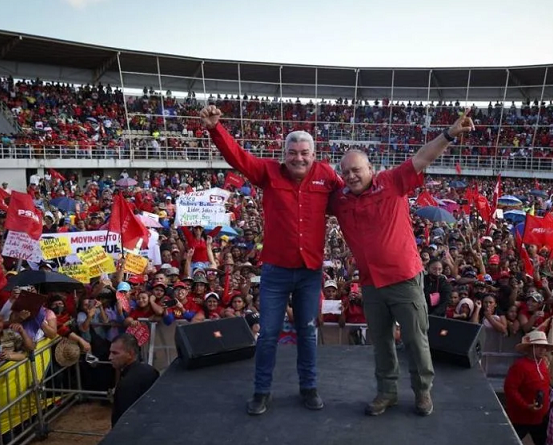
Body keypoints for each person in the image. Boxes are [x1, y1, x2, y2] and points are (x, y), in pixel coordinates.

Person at [328, 112, 475, 416]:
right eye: (346, 172)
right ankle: (387, 392)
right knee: (381, 342)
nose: (351, 176)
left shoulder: (391, 182)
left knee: (415, 339)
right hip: (370, 283)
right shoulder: (340, 200)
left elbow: (422, 158)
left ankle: (422, 392)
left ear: (371, 168)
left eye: (356, 170)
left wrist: (449, 134)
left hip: (404, 278)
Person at [201, 104, 342, 415]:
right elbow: (237, 157)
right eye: (293, 152)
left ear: (313, 154)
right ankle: (262, 391)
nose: (299, 158)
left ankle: (309, 387)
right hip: (276, 271)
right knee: (267, 335)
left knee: (307, 331)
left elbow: (349, 200)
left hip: (309, 272)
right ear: (284, 153)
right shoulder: (268, 172)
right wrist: (215, 129)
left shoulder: (327, 176)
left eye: (304, 152)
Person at [504, 330, 553, 445]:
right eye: (538, 347)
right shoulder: (519, 366)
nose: (543, 350)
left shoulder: (543, 363)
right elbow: (510, 389)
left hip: (540, 417)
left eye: (544, 347)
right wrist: (525, 405)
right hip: (521, 417)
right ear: (530, 348)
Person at [109, 333, 159, 427]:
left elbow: (124, 421)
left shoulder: (126, 384)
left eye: (115, 353)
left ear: (130, 354)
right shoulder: (151, 370)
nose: (110, 357)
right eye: (110, 352)